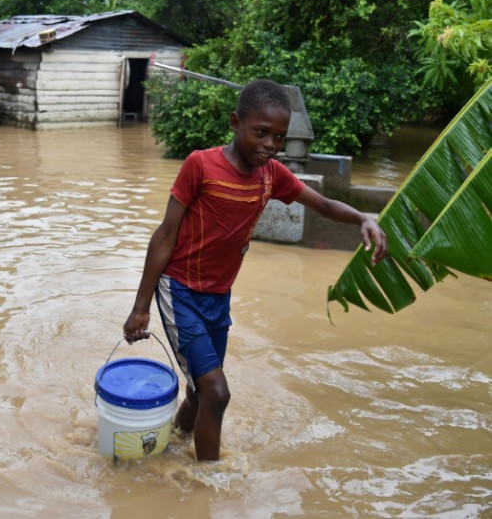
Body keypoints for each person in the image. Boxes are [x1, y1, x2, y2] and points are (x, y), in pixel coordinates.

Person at [122, 79, 387, 461]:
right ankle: (207, 482)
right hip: (179, 290)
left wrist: (363, 217)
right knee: (217, 391)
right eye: (261, 133)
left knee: (201, 390)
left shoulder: (271, 176)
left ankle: (177, 437)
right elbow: (165, 235)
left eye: (279, 137)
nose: (270, 145)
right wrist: (141, 306)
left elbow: (324, 206)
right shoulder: (201, 165)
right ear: (235, 122)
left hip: (218, 297)